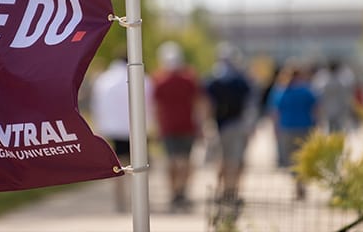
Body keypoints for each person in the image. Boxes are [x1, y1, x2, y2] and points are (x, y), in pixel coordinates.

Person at [90, 52, 152, 212]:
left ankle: (120, 201)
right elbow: (149, 103)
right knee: (139, 166)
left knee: (118, 166)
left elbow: (97, 106)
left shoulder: (104, 79)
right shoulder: (142, 77)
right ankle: (137, 200)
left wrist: (99, 128)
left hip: (113, 129)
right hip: (137, 129)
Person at [204, 43, 258, 205]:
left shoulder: (213, 79)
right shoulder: (242, 79)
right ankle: (232, 191)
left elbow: (208, 105)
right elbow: (251, 104)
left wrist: (207, 125)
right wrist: (251, 126)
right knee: (235, 161)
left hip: (221, 126)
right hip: (237, 125)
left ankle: (223, 191)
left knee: (222, 160)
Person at [151, 41, 203, 211]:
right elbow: (198, 103)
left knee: (172, 161)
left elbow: (155, 107)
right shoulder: (189, 78)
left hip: (168, 127)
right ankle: (182, 191)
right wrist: (201, 125)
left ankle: (174, 192)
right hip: (187, 126)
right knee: (185, 161)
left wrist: (156, 127)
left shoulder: (159, 80)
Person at [270, 64, 318, 199]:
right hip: (305, 127)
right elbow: (316, 109)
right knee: (303, 157)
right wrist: (316, 125)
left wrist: (275, 128)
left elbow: (275, 112)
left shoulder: (281, 91)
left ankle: (297, 185)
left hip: (287, 128)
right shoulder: (307, 91)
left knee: (291, 159)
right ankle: (301, 184)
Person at [311, 60, 355, 133]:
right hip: (338, 109)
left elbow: (318, 95)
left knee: (329, 128)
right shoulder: (341, 82)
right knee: (339, 128)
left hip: (327, 109)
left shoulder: (323, 82)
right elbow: (345, 97)